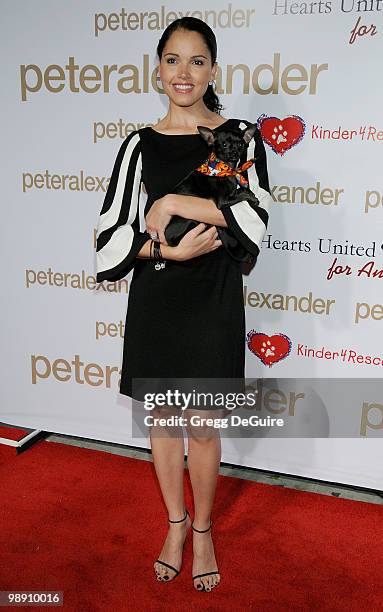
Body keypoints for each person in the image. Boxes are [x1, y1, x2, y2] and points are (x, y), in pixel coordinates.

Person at [95, 17, 272, 593]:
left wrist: (175, 200)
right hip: (160, 299)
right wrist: (160, 248)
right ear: (158, 68)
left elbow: (253, 218)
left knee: (202, 426)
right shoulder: (137, 145)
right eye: (173, 60)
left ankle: (202, 529)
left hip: (213, 299)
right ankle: (174, 525)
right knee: (165, 426)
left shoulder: (240, 137)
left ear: (213, 70)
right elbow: (110, 237)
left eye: (196, 61)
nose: (183, 73)